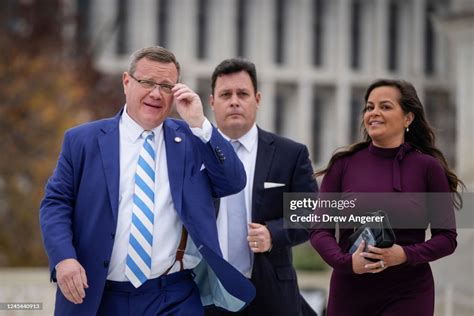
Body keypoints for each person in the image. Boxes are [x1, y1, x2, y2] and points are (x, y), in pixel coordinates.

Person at [39, 46, 256, 316]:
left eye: (166, 86)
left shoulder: (191, 139)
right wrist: (64, 258)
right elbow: (55, 204)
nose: (156, 93)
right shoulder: (82, 141)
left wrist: (201, 124)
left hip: (173, 296)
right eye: (147, 82)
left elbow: (233, 181)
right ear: (127, 82)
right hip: (98, 294)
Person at [310, 79, 464, 315]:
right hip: (350, 290)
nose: (374, 113)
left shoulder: (427, 168)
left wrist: (404, 254)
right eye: (369, 107)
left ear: (408, 118)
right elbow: (320, 230)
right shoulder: (343, 165)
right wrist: (347, 262)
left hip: (409, 292)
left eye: (385, 106)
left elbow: (447, 238)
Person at [205, 58, 318, 316]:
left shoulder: (291, 154)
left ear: (257, 99)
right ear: (212, 102)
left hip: (271, 296)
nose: (234, 101)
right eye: (225, 94)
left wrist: (273, 234)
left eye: (242, 93)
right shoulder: (194, 152)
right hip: (207, 293)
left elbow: (311, 214)